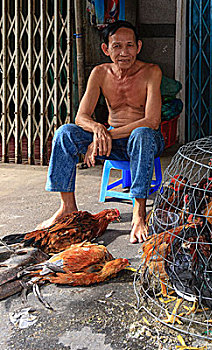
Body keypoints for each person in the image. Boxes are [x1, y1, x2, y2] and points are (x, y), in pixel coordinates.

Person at [39, 20, 164, 244]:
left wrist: (105, 136)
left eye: (129, 46)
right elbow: (81, 117)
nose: (124, 52)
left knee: (142, 134)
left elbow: (152, 121)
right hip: (110, 142)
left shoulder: (151, 72)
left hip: (144, 141)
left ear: (139, 47)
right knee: (65, 133)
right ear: (106, 49)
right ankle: (67, 207)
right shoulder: (100, 73)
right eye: (117, 46)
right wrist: (98, 129)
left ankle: (139, 213)